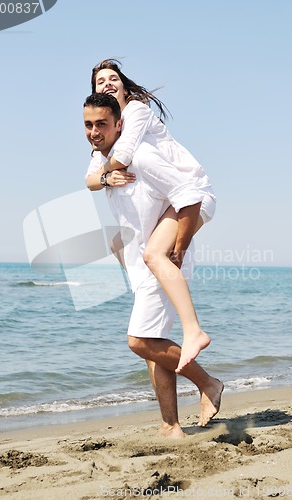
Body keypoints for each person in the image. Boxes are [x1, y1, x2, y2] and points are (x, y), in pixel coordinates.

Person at [84, 93, 223, 438]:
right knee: (153, 344)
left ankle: (208, 383)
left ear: (120, 124)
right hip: (140, 266)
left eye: (102, 124)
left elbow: (190, 194)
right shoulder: (107, 163)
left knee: (139, 341)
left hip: (161, 264)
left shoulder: (142, 157)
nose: (94, 132)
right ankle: (170, 426)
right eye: (88, 125)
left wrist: (179, 246)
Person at [88, 59, 217, 374]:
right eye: (99, 81)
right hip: (171, 198)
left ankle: (193, 330)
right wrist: (105, 176)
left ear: (124, 85)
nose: (106, 83)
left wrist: (181, 245)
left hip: (192, 191)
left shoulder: (136, 112)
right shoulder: (105, 135)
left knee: (155, 254)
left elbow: (125, 156)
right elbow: (90, 179)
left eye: (112, 78)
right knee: (118, 243)